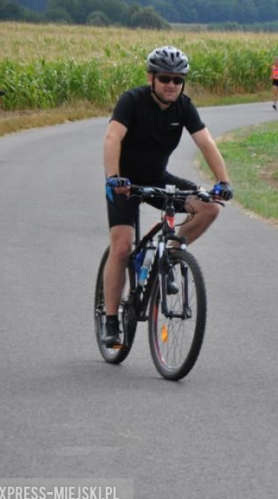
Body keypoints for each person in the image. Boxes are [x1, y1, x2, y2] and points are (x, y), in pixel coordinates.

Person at [100, 46, 233, 347]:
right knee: (121, 248)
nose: (171, 85)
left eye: (177, 79)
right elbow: (112, 137)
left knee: (210, 208)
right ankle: (110, 320)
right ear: (151, 78)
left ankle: (169, 255)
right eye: (164, 78)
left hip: (158, 180)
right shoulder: (131, 101)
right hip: (125, 184)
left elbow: (206, 143)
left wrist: (222, 181)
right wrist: (113, 178)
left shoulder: (184, 107)